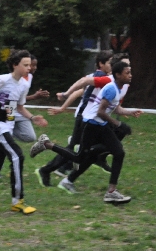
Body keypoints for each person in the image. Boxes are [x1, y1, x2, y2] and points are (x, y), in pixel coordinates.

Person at [31, 60, 141, 202]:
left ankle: (111, 191)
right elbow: (101, 112)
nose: (130, 75)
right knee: (78, 157)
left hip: (100, 125)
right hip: (92, 125)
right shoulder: (111, 88)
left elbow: (115, 108)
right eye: (127, 73)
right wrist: (118, 124)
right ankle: (46, 144)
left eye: (130, 72)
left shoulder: (118, 89)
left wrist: (131, 112)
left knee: (119, 152)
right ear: (118, 75)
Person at [0, 50, 48, 214]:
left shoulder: (24, 85)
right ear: (15, 65)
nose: (29, 68)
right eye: (25, 65)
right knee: (18, 156)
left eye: (30, 65)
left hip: (8, 125)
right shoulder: (1, 80)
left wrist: (32, 118)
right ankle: (18, 201)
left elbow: (19, 107)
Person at [35, 50, 114, 187]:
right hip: (84, 117)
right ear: (101, 64)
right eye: (110, 63)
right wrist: (65, 97)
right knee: (76, 149)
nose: (112, 65)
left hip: (87, 118)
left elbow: (79, 92)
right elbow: (79, 91)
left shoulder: (99, 77)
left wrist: (63, 106)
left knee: (78, 149)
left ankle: (59, 167)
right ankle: (48, 168)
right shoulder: (100, 77)